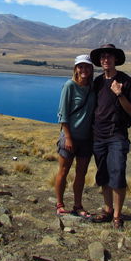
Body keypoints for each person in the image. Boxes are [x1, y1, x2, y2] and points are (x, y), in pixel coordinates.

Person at [89, 44, 131, 229]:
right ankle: (108, 210)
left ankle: (118, 215)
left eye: (109, 56)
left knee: (117, 174)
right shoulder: (98, 82)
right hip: (98, 136)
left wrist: (119, 95)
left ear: (116, 59)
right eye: (102, 57)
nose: (105, 60)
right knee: (103, 175)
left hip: (117, 135)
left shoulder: (126, 82)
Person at [54, 54, 96, 218]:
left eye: (87, 66)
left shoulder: (93, 88)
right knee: (63, 171)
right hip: (69, 137)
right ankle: (60, 204)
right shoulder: (69, 86)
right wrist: (69, 137)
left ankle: (78, 205)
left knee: (81, 173)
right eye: (81, 66)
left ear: (91, 69)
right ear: (76, 69)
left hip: (86, 138)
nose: (84, 69)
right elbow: (62, 114)